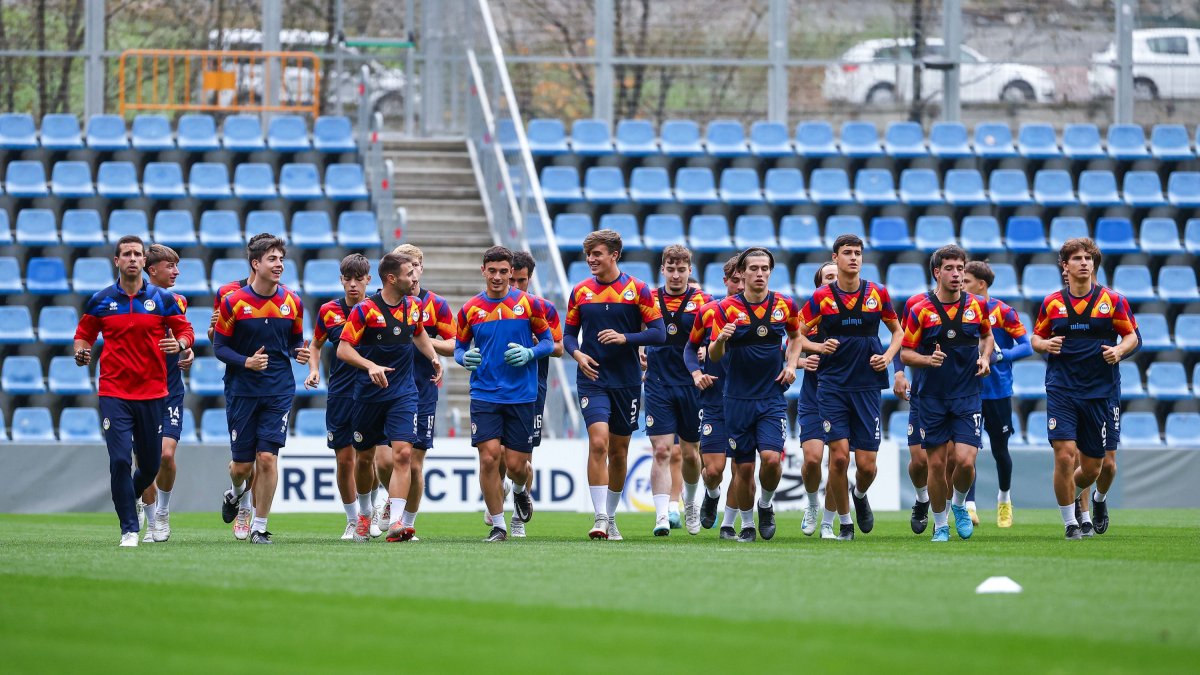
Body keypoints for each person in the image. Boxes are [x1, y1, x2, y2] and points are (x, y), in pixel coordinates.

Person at [73, 235, 194, 547]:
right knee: (119, 461)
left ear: (143, 261)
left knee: (152, 465)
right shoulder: (100, 300)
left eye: (136, 254)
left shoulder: (162, 300)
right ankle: (129, 528)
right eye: (125, 254)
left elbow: (185, 330)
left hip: (154, 392)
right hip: (114, 392)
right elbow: (84, 334)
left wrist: (180, 344)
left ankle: (131, 497)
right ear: (117, 261)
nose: (131, 258)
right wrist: (82, 351)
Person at [1031, 238, 1138, 540]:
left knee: (1096, 467)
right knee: (1065, 455)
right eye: (1077, 258)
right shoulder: (1053, 302)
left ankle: (1093, 500)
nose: (1084, 263)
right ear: (1065, 266)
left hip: (1100, 391)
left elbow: (1131, 337)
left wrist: (1119, 351)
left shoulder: (1112, 301)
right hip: (1062, 388)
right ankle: (1070, 522)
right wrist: (1045, 344)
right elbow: (1036, 338)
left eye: (1088, 258)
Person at [798, 234, 903, 541]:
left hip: (868, 386)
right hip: (832, 386)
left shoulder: (878, 293)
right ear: (835, 258)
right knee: (840, 458)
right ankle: (840, 523)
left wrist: (886, 357)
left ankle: (859, 493)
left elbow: (898, 332)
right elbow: (796, 335)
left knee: (868, 466)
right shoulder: (822, 298)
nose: (854, 258)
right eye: (848, 253)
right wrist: (816, 346)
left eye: (858, 253)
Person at [564, 229, 665, 541]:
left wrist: (626, 338)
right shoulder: (580, 292)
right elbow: (568, 335)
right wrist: (578, 354)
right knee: (598, 442)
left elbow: (659, 333)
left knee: (619, 451)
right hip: (592, 379)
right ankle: (600, 517)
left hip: (626, 381)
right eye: (588, 254)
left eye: (597, 254)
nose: (591, 260)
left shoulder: (638, 290)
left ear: (614, 255)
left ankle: (612, 515)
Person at [337, 252, 442, 543]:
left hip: (404, 393)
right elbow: (343, 349)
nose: (415, 278)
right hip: (368, 395)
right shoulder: (365, 310)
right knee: (365, 458)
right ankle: (364, 513)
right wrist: (370, 365)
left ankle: (396, 521)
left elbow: (418, 333)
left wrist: (433, 356)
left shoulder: (414, 306)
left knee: (404, 454)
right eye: (410, 274)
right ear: (392, 279)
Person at [213, 235, 311, 544]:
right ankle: (236, 493)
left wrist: (299, 351)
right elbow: (219, 347)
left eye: (281, 258)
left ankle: (260, 525)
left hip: (279, 388)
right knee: (242, 465)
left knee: (267, 458)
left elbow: (295, 339)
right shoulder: (233, 302)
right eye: (272, 259)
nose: (279, 264)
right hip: (242, 389)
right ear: (256, 264)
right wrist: (246, 362)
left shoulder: (293, 301)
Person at [454, 246, 556, 542]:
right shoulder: (470, 309)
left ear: (511, 273)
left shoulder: (530, 305)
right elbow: (459, 347)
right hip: (485, 394)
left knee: (515, 466)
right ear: (483, 271)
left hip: (522, 395)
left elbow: (549, 342)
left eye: (503, 271)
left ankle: (521, 491)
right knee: (488, 459)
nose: (497, 277)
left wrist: (530, 353)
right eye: (492, 271)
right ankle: (498, 525)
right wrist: (464, 358)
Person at [900, 245, 993, 542]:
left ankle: (959, 504)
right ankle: (940, 525)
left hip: (967, 396)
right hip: (931, 398)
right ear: (937, 272)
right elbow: (905, 353)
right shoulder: (920, 310)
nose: (956, 274)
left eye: (960, 268)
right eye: (950, 269)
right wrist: (928, 360)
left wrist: (985, 357)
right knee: (936, 465)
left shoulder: (977, 305)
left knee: (965, 462)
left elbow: (987, 336)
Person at [709, 247, 802, 543]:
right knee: (744, 467)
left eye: (765, 268)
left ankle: (766, 504)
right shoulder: (725, 309)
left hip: (771, 398)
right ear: (743, 273)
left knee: (772, 460)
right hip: (736, 399)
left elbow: (797, 337)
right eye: (754, 269)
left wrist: (791, 364)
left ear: (770, 272)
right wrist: (722, 339)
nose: (760, 273)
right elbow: (713, 354)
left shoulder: (784, 305)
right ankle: (747, 525)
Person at [381, 244, 457, 540]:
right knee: (384, 461)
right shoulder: (380, 303)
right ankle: (390, 500)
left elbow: (453, 345)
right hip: (385, 389)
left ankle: (406, 523)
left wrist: (420, 337)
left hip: (422, 389)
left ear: (420, 268)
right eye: (404, 267)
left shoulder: (435, 304)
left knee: (414, 462)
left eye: (414, 266)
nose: (410, 273)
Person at [307, 254, 374, 540]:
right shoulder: (328, 311)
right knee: (344, 460)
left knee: (367, 459)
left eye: (358, 279)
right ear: (341, 280)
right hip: (340, 393)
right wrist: (313, 370)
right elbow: (316, 344)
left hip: (371, 393)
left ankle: (367, 512)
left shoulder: (377, 310)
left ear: (368, 280)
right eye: (348, 279)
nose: (353, 285)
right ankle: (352, 519)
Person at [644, 245, 710, 536]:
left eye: (681, 270)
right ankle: (660, 516)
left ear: (689, 271)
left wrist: (707, 350)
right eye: (670, 269)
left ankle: (691, 502)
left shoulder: (704, 302)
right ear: (662, 270)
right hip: (658, 384)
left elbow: (715, 339)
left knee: (691, 454)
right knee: (660, 450)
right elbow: (635, 329)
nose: (675, 275)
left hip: (692, 384)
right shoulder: (649, 300)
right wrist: (637, 351)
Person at [962, 260, 1032, 528]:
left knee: (1000, 450)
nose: (960, 283)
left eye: (966, 280)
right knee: (968, 451)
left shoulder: (1003, 312)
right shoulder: (959, 310)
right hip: (968, 391)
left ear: (981, 284)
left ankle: (1004, 499)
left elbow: (1027, 346)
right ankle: (969, 505)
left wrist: (1002, 355)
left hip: (998, 392)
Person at [135, 244, 196, 543]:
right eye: (171, 266)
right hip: (138, 390)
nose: (176, 271)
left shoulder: (178, 301)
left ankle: (163, 513)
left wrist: (187, 350)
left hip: (169, 388)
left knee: (166, 455)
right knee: (145, 459)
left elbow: (183, 334)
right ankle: (149, 520)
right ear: (152, 269)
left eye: (177, 265)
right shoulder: (132, 301)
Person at [685, 255, 745, 540]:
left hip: (747, 400)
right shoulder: (709, 311)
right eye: (736, 280)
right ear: (726, 281)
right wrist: (697, 371)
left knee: (741, 467)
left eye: (745, 280)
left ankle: (729, 524)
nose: (741, 285)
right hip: (714, 400)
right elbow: (689, 348)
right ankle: (711, 492)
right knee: (713, 469)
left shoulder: (763, 312)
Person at [506, 251, 565, 538]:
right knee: (495, 453)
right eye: (511, 279)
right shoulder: (490, 306)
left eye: (522, 280)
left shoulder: (542, 308)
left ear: (530, 278)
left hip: (532, 389)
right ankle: (496, 508)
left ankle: (517, 516)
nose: (516, 286)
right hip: (495, 389)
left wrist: (536, 344)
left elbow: (559, 347)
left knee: (524, 456)